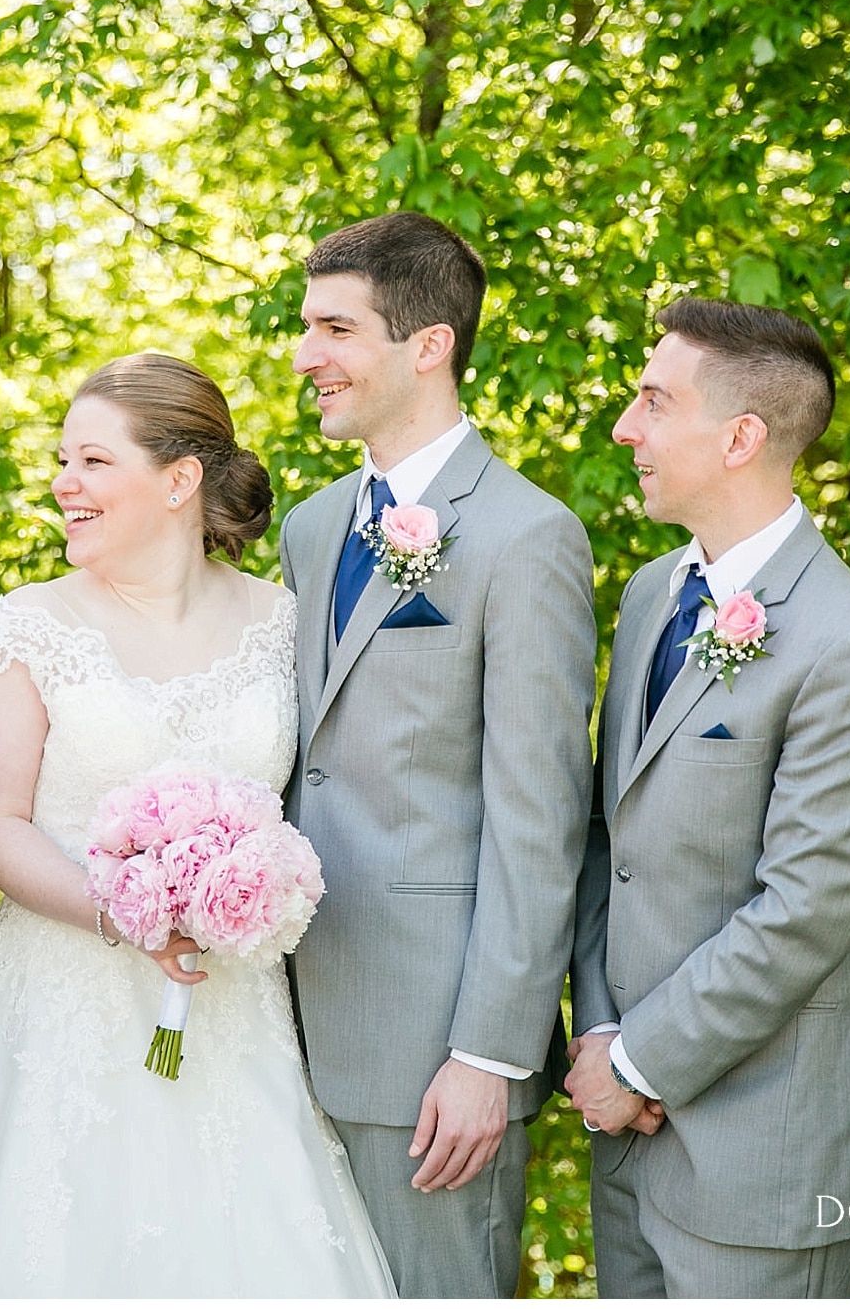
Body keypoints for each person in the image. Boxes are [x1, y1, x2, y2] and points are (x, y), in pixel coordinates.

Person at [0, 353, 393, 1297]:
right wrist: (121, 911)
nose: (64, 484)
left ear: (179, 480)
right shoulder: (24, 629)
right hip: (62, 1010)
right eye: (63, 461)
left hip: (235, 1012)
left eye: (93, 462)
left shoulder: (286, 626)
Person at [562, 299, 850, 1296]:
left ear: (739, 438)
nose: (624, 428)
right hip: (625, 1138)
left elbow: (806, 912)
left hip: (762, 1161)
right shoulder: (650, 596)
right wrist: (600, 1036)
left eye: (653, 402)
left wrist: (638, 1064)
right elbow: (611, 841)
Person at [279, 212, 598, 1298]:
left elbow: (538, 817)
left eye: (335, 329)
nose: (304, 356)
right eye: (305, 327)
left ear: (428, 345)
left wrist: (489, 1055)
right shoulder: (311, 527)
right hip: (281, 1022)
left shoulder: (526, 535)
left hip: (432, 1049)